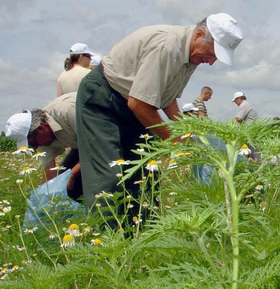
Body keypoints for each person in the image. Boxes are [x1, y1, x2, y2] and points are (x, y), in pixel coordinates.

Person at [75, 13, 243, 224]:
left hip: (133, 105)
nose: (210, 62)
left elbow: (167, 99)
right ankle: (103, 243)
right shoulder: (167, 48)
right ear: (199, 34)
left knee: (145, 175)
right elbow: (138, 104)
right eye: (211, 54)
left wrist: (189, 132)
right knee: (109, 177)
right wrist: (176, 140)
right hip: (104, 101)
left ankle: (139, 239)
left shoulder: (191, 57)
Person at [4, 93, 83, 199]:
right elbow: (50, 175)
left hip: (107, 135)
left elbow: (96, 148)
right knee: (63, 179)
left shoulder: (67, 112)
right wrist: (44, 200)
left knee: (90, 177)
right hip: (83, 145)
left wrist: (72, 175)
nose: (36, 147)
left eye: (34, 143)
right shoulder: (41, 137)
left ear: (41, 129)